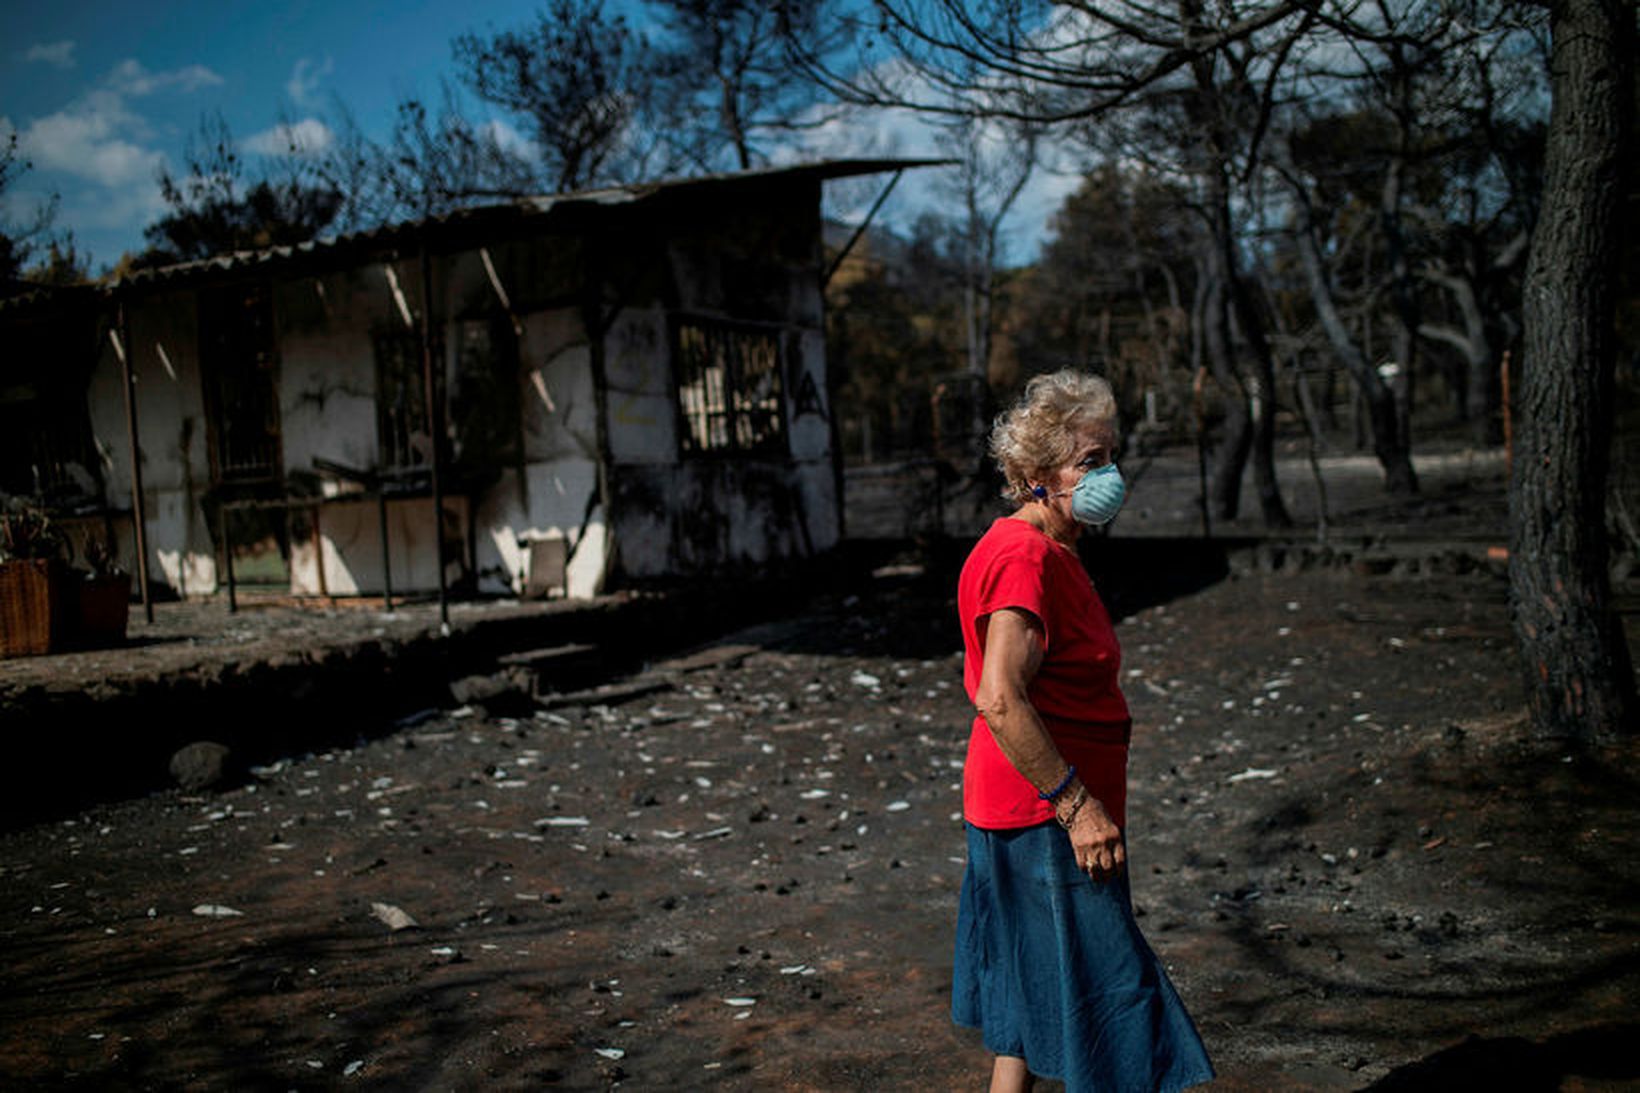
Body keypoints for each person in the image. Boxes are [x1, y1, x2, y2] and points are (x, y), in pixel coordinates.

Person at [951, 370, 1214, 1092]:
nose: (1109, 474)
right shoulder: (1025, 557)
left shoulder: (1036, 549)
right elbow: (999, 697)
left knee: (1034, 999)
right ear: (1038, 475)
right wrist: (1077, 805)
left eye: (1110, 455)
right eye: (1090, 461)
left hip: (1019, 814)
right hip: (1044, 820)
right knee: (1118, 1018)